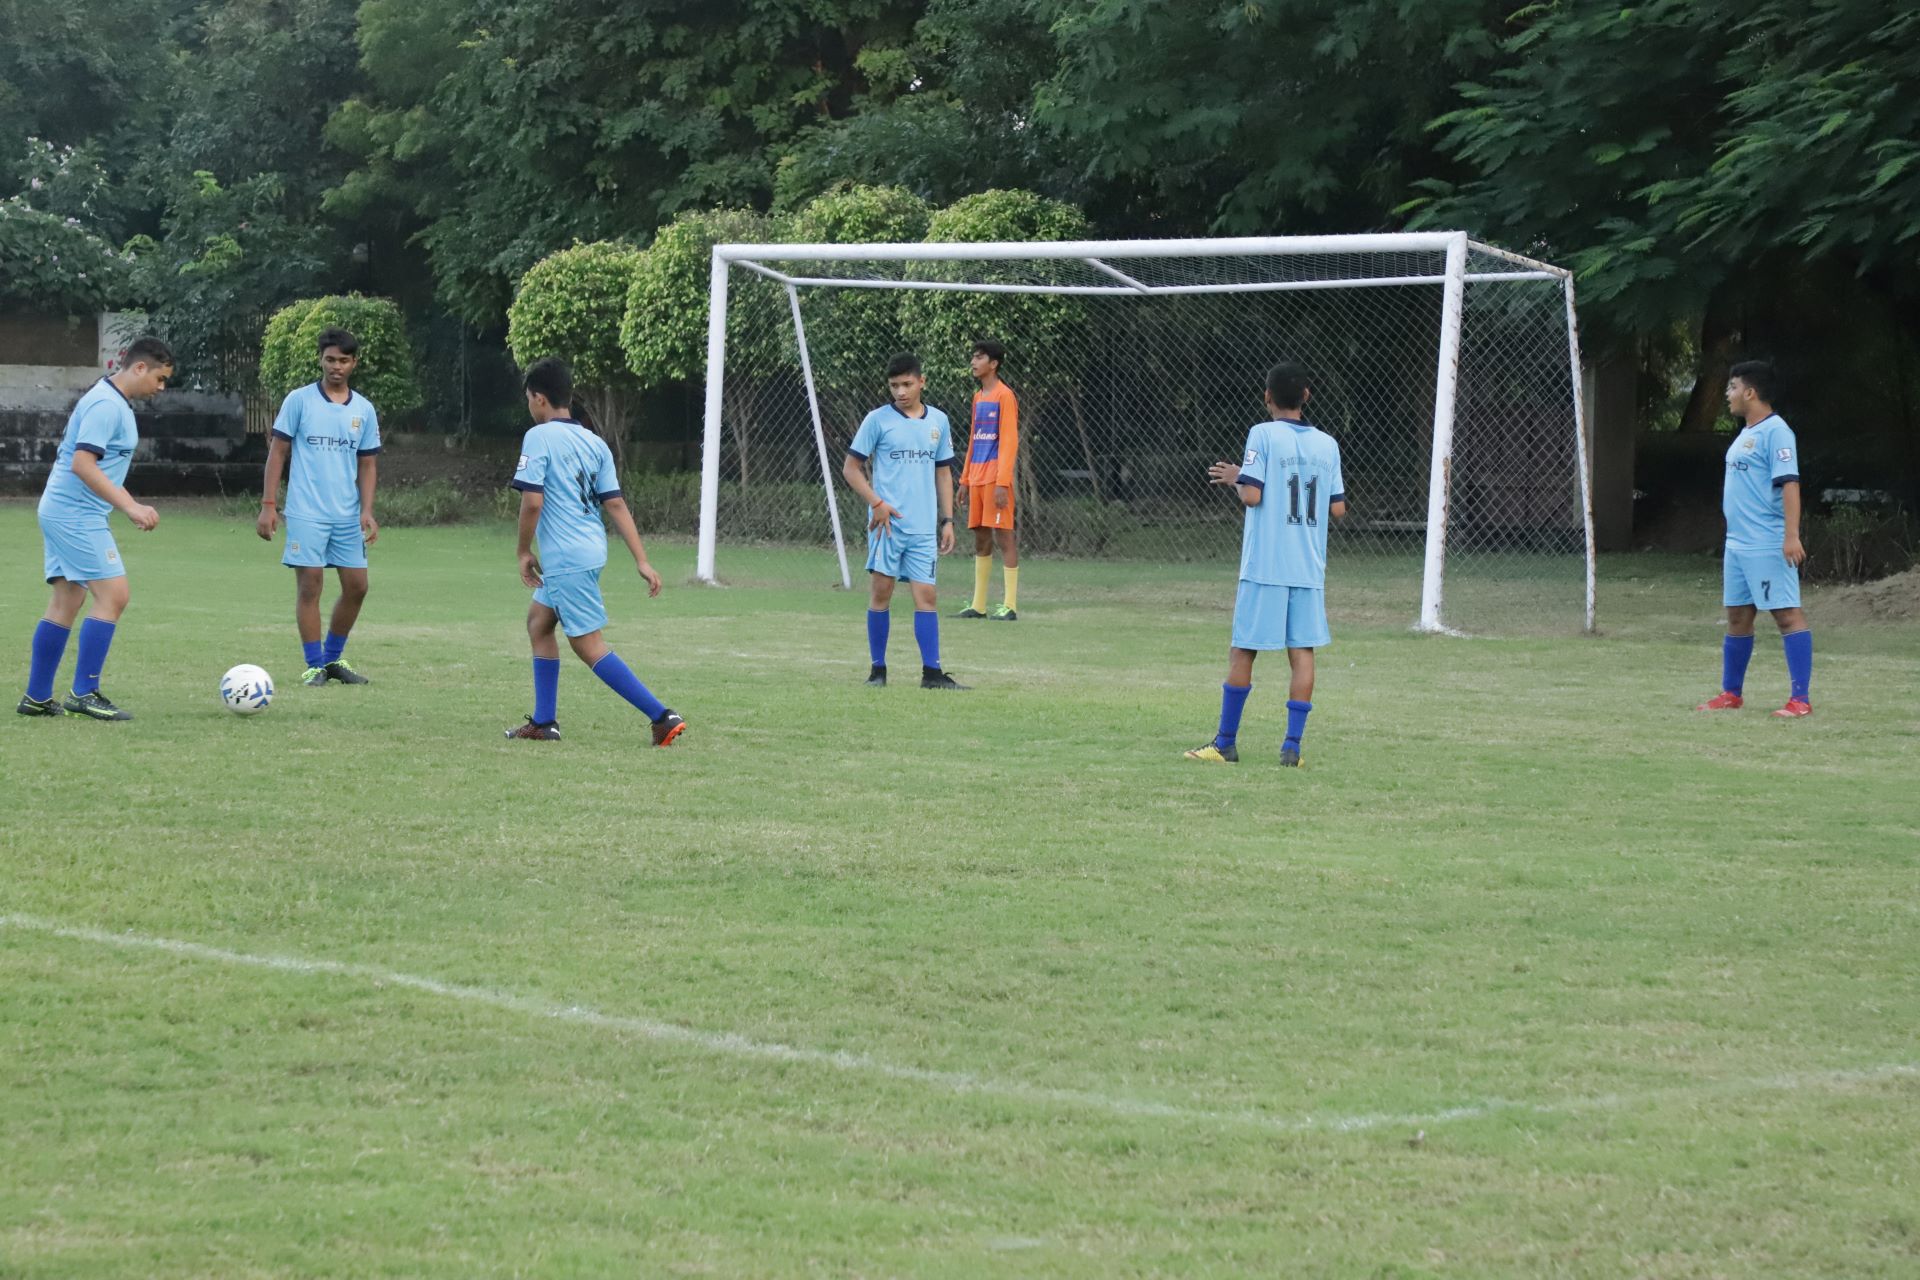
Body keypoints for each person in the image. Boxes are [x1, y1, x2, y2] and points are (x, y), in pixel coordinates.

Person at [504, 357, 685, 744]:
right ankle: (543, 722)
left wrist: (522, 550)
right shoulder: (594, 441)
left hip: (566, 556)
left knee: (588, 646)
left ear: (538, 399)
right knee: (539, 622)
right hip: (587, 549)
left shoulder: (538, 437)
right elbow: (615, 504)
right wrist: (642, 559)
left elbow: (532, 502)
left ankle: (662, 716)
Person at [1186, 360, 1345, 767]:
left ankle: (1225, 743)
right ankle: (1292, 748)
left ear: (1267, 397)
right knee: (1302, 653)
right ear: (1307, 396)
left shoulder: (1262, 434)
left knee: (1243, 651)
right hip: (1308, 569)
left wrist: (1239, 476)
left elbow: (1252, 496)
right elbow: (1339, 509)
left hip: (1266, 566)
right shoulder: (1327, 444)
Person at [16, 337, 174, 721]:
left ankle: (36, 698)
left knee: (67, 600)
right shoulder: (106, 405)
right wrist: (131, 506)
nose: (161, 388)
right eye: (160, 378)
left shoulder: (109, 399)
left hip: (65, 511)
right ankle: (83, 693)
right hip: (75, 515)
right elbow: (83, 465)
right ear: (139, 368)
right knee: (115, 595)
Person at [256, 326, 381, 686]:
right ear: (320, 359)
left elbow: (368, 463)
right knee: (310, 585)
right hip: (306, 511)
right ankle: (314, 665)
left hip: (346, 514)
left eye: (343, 360)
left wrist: (367, 509)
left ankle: (332, 660)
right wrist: (269, 505)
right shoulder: (299, 400)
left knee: (358, 586)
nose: (336, 367)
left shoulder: (364, 410)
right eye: (330, 359)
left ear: (354, 362)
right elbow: (278, 452)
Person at [840, 353, 967, 689]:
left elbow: (943, 472)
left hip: (924, 529)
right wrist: (877, 503)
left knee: (927, 596)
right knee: (882, 593)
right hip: (887, 527)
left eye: (907, 384)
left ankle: (933, 674)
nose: (900, 391)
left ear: (921, 382)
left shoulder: (938, 421)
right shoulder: (877, 421)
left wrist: (948, 520)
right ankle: (877, 671)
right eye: (894, 385)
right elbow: (851, 469)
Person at [1695, 360, 1813, 717]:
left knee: (1787, 616)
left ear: (1750, 392)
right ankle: (1731, 693)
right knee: (1737, 617)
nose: (1727, 395)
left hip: (1766, 542)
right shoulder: (1746, 432)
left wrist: (1791, 536)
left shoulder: (1777, 431)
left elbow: (1790, 483)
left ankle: (1800, 700)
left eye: (1732, 388)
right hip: (1737, 545)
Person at [953, 339, 1021, 621]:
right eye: (973, 357)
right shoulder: (978, 397)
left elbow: (1008, 441)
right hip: (978, 478)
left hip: (995, 478)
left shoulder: (1005, 396)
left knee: (1003, 536)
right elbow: (973, 439)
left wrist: (1003, 482)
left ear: (993, 364)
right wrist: (965, 479)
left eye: (979, 357)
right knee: (981, 539)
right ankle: (978, 605)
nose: (973, 362)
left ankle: (1010, 605)